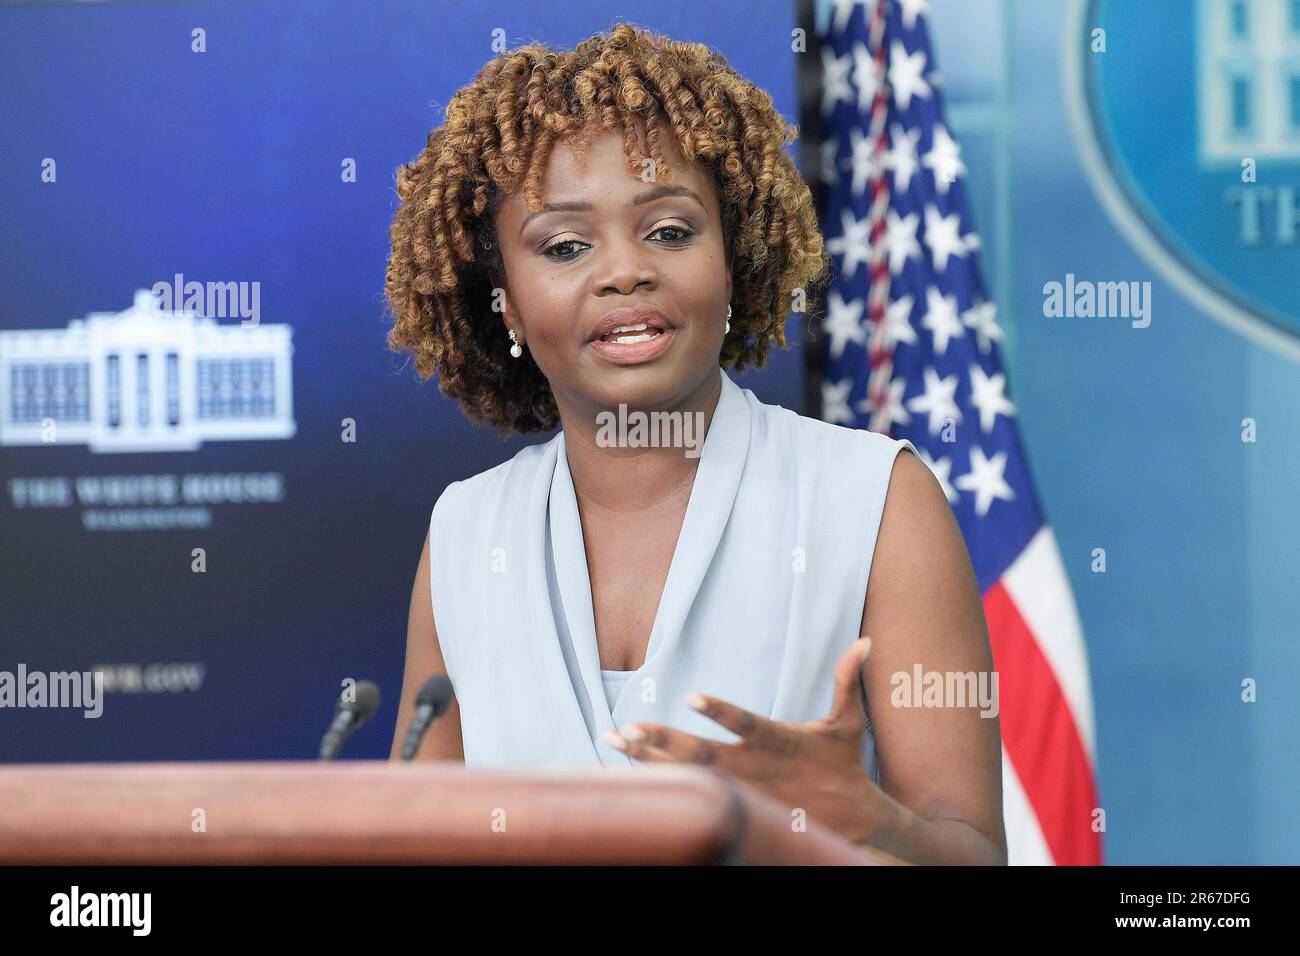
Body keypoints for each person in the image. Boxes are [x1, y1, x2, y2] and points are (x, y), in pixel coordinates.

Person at [384, 23, 1005, 865]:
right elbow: (411, 840)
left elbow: (973, 852)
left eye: (671, 231)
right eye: (566, 246)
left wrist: (873, 823)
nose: (625, 271)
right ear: (505, 302)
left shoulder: (874, 497)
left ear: (734, 258)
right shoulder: (465, 531)